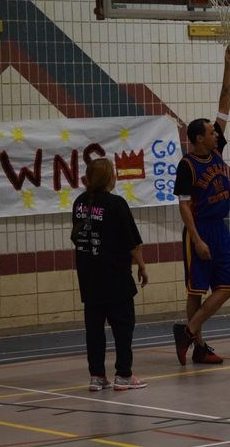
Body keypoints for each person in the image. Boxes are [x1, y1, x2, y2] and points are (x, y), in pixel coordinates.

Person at [172, 46, 230, 365]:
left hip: (220, 228)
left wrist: (227, 69)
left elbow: (224, 103)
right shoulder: (186, 166)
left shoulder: (216, 152)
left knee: (229, 285)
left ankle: (189, 330)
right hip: (199, 231)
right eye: (211, 133)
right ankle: (197, 345)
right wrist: (196, 238)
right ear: (199, 139)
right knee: (195, 291)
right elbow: (184, 207)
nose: (216, 134)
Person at [72, 158, 148, 391]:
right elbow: (131, 242)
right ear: (108, 178)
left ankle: (97, 376)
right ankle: (123, 374)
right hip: (115, 276)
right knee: (123, 327)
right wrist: (142, 265)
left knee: (94, 330)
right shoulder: (116, 204)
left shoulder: (80, 203)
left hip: (88, 277)